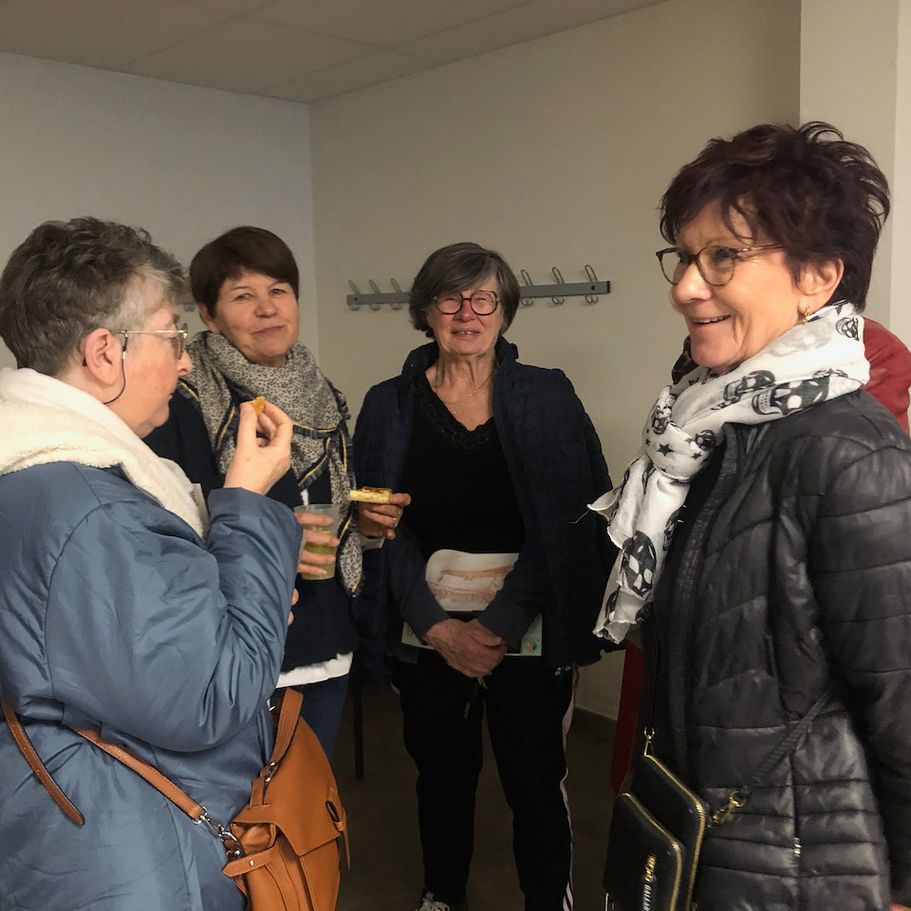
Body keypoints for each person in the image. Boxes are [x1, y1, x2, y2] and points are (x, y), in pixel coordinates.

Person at [594, 122, 911, 910]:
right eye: (683, 257)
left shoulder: (848, 453)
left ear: (818, 276)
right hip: (695, 834)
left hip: (798, 866)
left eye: (723, 256)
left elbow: (902, 700)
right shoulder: (706, 431)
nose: (684, 287)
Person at [0, 217, 299, 911]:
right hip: (129, 845)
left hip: (68, 816)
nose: (186, 362)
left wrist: (235, 596)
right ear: (106, 352)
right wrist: (246, 500)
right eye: (172, 335)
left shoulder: (35, 472)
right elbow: (212, 695)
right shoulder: (92, 510)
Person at [354, 241, 614, 911]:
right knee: (440, 774)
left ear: (504, 311)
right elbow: (382, 523)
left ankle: (545, 899)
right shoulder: (387, 404)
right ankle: (442, 892)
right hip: (427, 626)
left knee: (535, 779)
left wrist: (496, 625)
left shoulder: (547, 396)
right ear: (426, 310)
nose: (466, 312)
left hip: (527, 622)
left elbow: (567, 519)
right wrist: (436, 626)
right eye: (450, 297)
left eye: (483, 298)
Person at [145, 226, 406, 758]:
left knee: (306, 796)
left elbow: (326, 500)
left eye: (279, 290)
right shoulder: (181, 399)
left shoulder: (322, 393)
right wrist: (273, 543)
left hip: (327, 636)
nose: (268, 309)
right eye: (244, 296)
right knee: (244, 801)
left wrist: (361, 526)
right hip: (241, 645)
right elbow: (161, 531)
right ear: (210, 315)